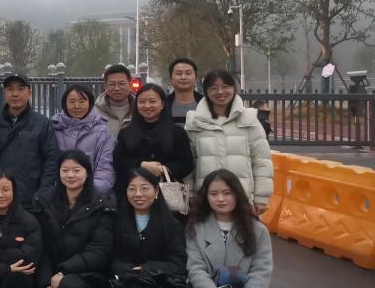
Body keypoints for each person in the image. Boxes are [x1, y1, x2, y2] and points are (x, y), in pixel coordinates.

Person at [100, 168, 188, 288]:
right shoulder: (117, 222)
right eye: (132, 189)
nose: (138, 194)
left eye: (144, 188)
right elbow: (110, 258)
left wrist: (146, 270)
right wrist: (129, 272)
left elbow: (178, 264)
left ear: (156, 191)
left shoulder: (172, 225)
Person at [31, 149, 114, 288]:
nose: (70, 175)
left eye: (77, 170)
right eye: (65, 170)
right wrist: (46, 282)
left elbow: (99, 252)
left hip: (89, 278)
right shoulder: (44, 201)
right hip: (52, 278)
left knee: (69, 284)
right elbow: (40, 247)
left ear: (87, 172)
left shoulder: (101, 205)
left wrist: (63, 272)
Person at [184, 69, 273, 215]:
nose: (220, 92)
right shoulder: (194, 122)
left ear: (234, 89)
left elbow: (262, 162)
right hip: (206, 200)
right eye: (214, 88)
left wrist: (261, 197)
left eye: (225, 87)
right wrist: (191, 195)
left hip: (242, 198)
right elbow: (189, 165)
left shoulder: (249, 120)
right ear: (206, 92)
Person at [113, 82, 194, 195]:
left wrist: (162, 169)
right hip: (133, 192)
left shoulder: (177, 132)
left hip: (166, 193)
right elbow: (118, 161)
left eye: (152, 101)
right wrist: (141, 165)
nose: (147, 106)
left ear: (162, 104)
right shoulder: (126, 132)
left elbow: (187, 163)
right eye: (142, 102)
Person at [0, 73, 59, 210]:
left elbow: (51, 161)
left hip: (30, 197)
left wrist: (42, 195)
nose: (15, 94)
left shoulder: (42, 123)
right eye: (10, 89)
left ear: (29, 93)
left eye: (20, 89)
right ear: (4, 93)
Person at [51, 84, 115, 192]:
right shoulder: (54, 128)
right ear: (65, 104)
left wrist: (90, 193)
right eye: (72, 102)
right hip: (58, 193)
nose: (77, 106)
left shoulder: (102, 131)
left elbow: (105, 167)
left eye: (82, 101)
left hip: (92, 193)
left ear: (90, 103)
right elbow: (48, 166)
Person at [95, 64, 137, 139]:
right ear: (105, 87)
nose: (117, 88)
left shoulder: (140, 111)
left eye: (121, 83)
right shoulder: (94, 114)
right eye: (112, 84)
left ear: (130, 86)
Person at [165, 57, 203, 127]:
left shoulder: (207, 104)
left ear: (196, 78)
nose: (183, 77)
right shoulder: (162, 105)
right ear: (171, 79)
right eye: (179, 73)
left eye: (188, 73)